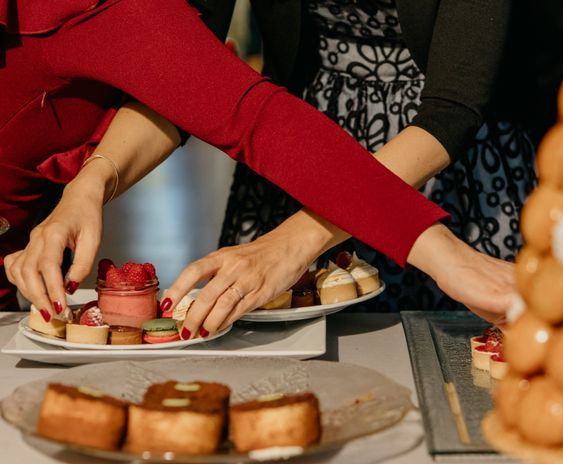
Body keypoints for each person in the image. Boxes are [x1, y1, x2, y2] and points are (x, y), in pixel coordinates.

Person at [2, 0, 513, 338]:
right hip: (300, 165)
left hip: (421, 167)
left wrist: (442, 254)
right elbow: (193, 86)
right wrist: (89, 183)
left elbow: (245, 110)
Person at [202, 1, 537, 311]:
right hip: (300, 149)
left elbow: (452, 107)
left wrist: (293, 241)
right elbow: (186, 53)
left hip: (437, 158)